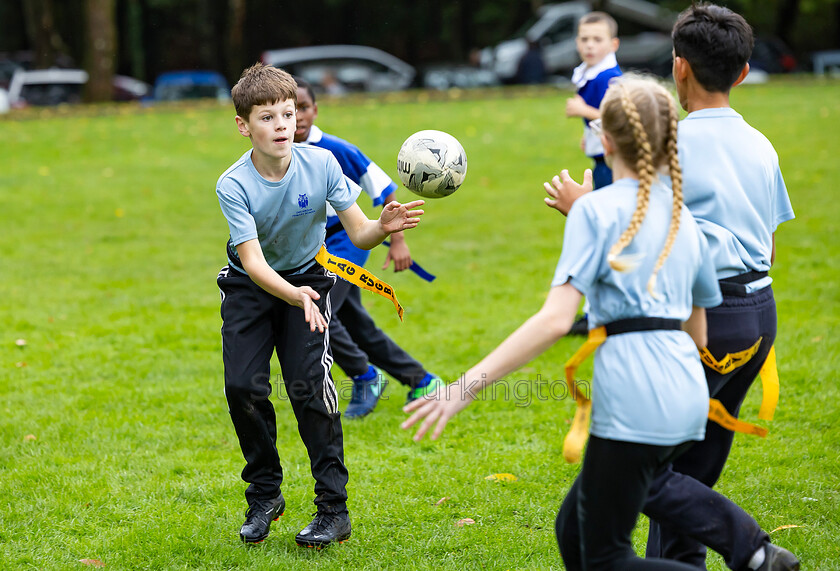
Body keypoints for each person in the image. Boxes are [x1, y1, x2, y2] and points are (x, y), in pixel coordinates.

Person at [405, 76, 723, 570]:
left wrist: (463, 388)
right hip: (688, 398)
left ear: (607, 141)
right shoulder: (686, 217)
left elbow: (555, 321)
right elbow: (699, 336)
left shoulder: (593, 212)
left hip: (635, 400)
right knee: (572, 530)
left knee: (604, 558)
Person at [544, 5, 798, 570]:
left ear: (678, 68)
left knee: (643, 475)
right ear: (743, 71)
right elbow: (771, 246)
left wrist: (584, 209)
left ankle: (753, 552)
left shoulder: (670, 146)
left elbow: (645, 234)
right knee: (689, 477)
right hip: (758, 314)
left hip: (704, 316)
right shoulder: (762, 144)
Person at [215, 63, 424, 547]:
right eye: (267, 117)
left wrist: (383, 226)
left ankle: (333, 510)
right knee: (242, 386)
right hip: (252, 287)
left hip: (308, 279)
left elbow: (359, 232)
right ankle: (264, 495)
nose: (282, 125)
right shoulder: (234, 183)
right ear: (244, 126)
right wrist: (295, 296)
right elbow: (253, 261)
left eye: (287, 114)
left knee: (311, 391)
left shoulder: (323, 164)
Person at [292, 77, 444, 419]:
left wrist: (399, 240)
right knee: (353, 322)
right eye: (291, 110)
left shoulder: (338, 149)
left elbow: (385, 188)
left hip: (346, 240)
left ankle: (365, 376)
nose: (297, 116)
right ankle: (422, 380)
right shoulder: (279, 150)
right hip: (311, 246)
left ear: (315, 110)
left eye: (303, 107)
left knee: (319, 313)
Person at [566, 11, 622, 191]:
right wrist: (588, 134)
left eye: (597, 40)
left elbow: (617, 117)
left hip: (612, 157)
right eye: (584, 39)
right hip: (601, 152)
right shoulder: (593, 73)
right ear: (577, 42)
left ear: (614, 44)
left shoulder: (609, 77)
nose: (590, 45)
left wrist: (582, 110)